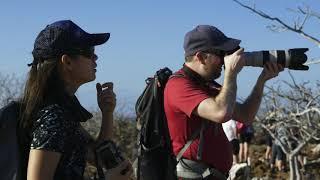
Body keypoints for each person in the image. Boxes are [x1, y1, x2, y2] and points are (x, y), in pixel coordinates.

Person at [164, 25, 284, 179]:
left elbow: (246, 116)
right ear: (200, 57)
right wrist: (231, 74)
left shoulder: (207, 85)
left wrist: (262, 80)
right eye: (221, 53)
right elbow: (221, 113)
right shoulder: (178, 86)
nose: (224, 60)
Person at [17, 20, 132, 180]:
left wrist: (107, 113)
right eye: (88, 51)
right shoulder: (53, 117)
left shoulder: (63, 110)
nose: (95, 57)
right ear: (67, 62)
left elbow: (96, 156)